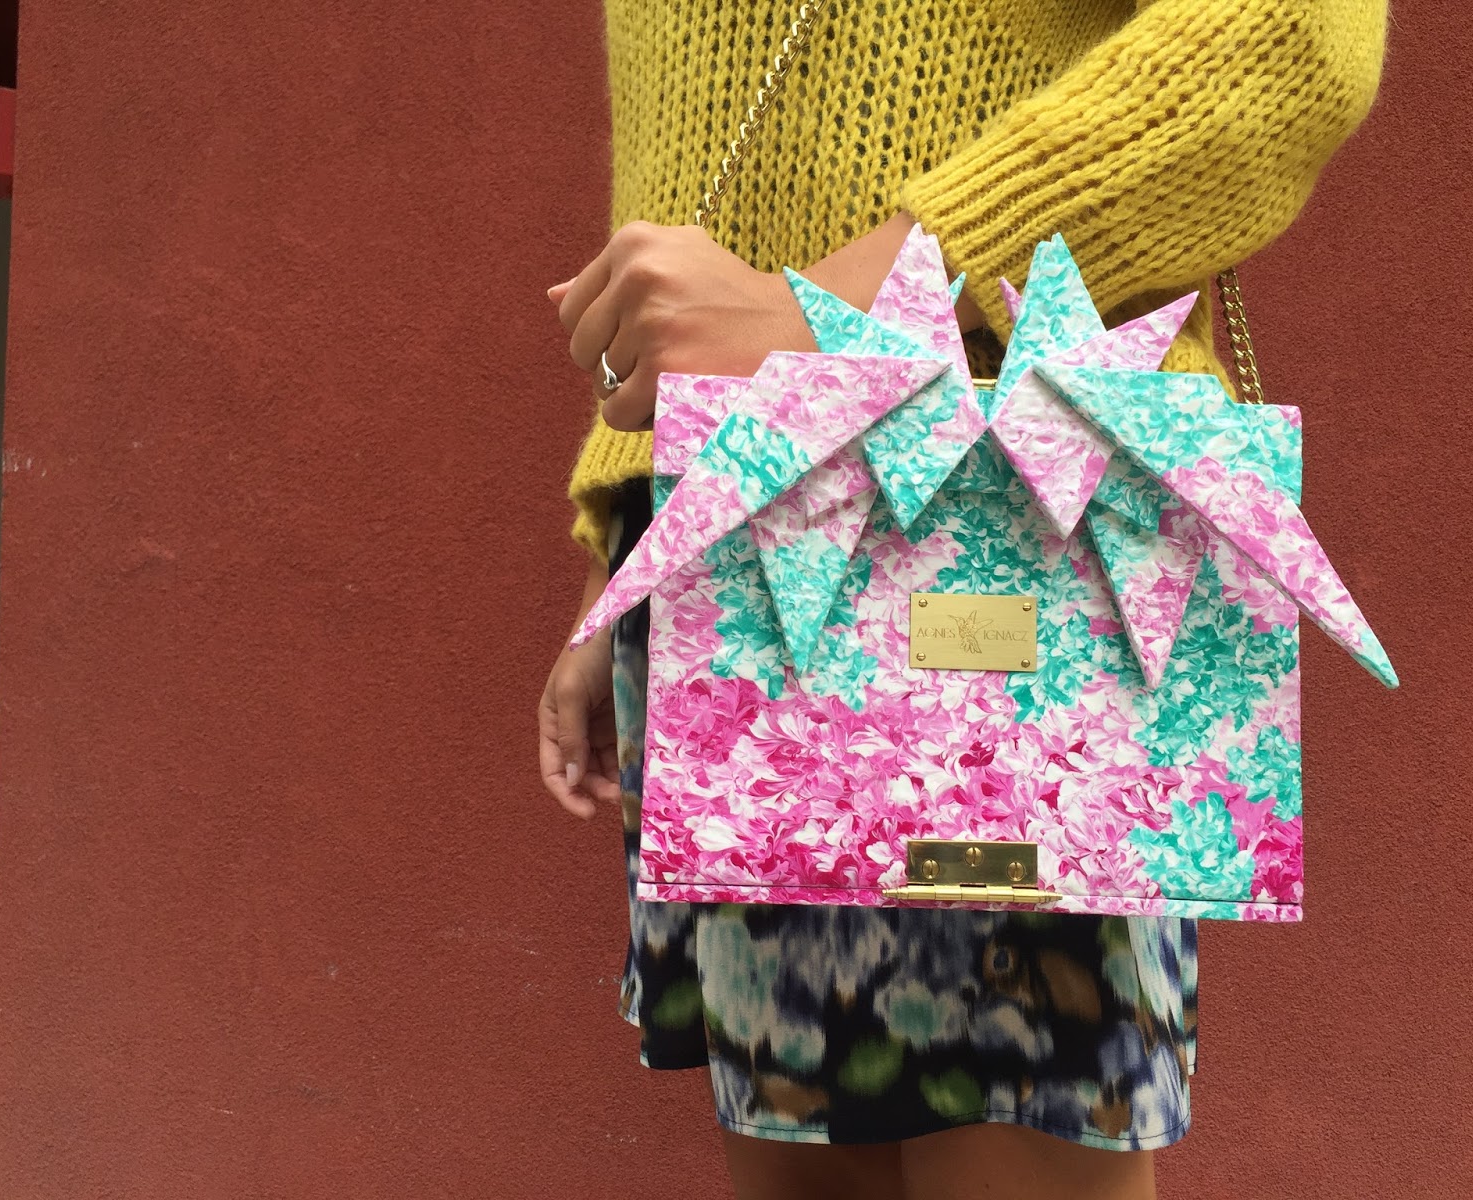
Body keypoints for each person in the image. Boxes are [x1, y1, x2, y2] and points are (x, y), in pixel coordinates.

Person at [538, 2, 1387, 1197]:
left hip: (1000, 539)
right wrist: (623, 549)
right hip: (733, 565)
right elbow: (696, 171)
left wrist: (828, 311)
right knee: (801, 1161)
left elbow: (1291, 39)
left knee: (1010, 1145)